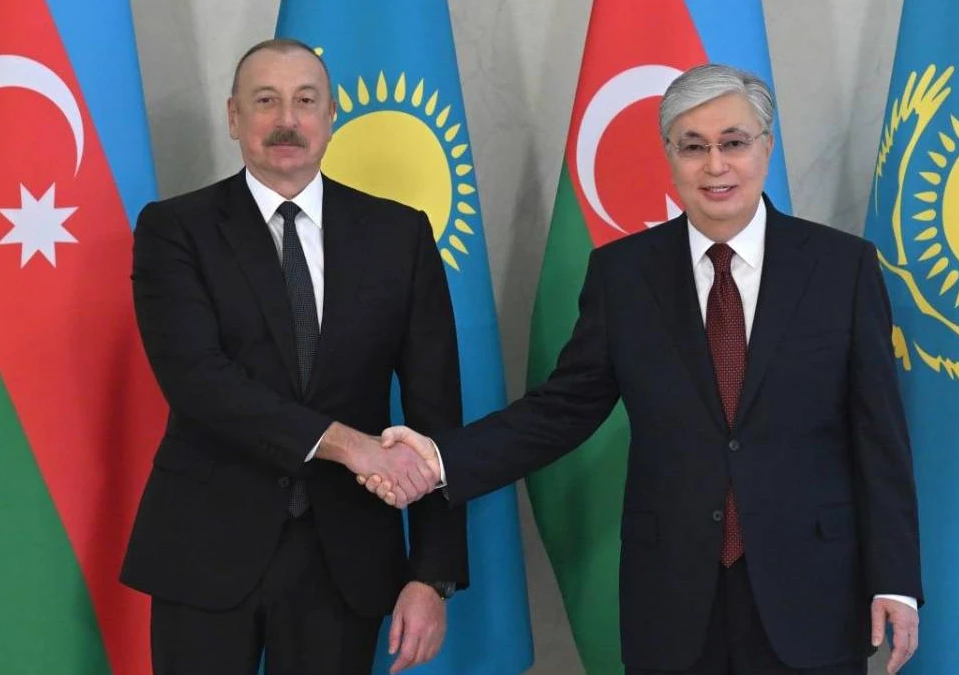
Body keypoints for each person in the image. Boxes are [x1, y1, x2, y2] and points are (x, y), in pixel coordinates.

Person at [368, 64, 923, 675]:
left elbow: (879, 436)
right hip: (673, 597)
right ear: (669, 156)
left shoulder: (843, 268)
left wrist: (895, 580)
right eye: (693, 146)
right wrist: (439, 460)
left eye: (734, 142)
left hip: (813, 589)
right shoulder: (624, 275)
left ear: (766, 147)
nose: (715, 165)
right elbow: (562, 410)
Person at [120, 38, 465, 675]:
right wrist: (351, 445)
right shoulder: (175, 230)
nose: (287, 120)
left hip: (345, 561)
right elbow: (197, 381)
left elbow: (436, 412)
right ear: (233, 117)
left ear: (331, 117)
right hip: (205, 548)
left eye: (306, 101)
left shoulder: (400, 235)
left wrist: (432, 577)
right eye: (265, 101)